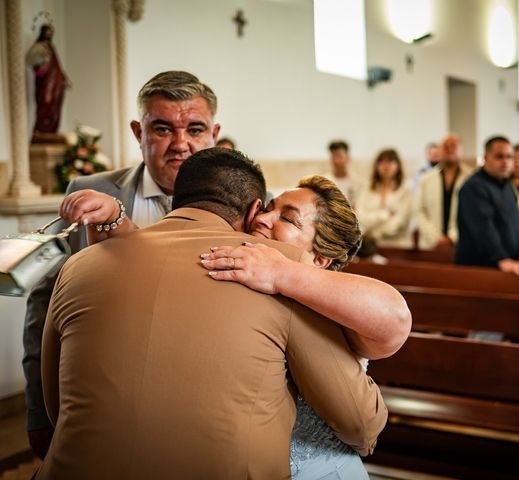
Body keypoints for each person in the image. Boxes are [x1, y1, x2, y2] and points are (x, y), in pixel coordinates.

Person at [39, 148, 388, 479]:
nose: (266, 220)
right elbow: (362, 424)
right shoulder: (266, 269)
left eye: (287, 218)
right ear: (252, 210)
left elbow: (57, 407)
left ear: (177, 197)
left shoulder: (79, 264)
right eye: (269, 207)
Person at [22, 70, 220, 460]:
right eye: (162, 129)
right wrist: (36, 409)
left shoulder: (245, 199)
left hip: (203, 403)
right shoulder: (88, 193)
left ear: (214, 133)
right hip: (102, 397)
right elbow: (45, 306)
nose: (180, 144)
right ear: (138, 131)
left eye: (195, 129)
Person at [455, 136, 519, 275]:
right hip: (479, 269)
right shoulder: (474, 187)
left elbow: (516, 220)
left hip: (502, 265)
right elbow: (483, 228)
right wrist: (501, 259)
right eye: (499, 157)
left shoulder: (506, 184)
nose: (505, 162)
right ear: (486, 158)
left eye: (509, 157)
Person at [416, 134, 471, 249]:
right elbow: (419, 211)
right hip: (431, 244)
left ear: (462, 151)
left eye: (454, 145)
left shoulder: (471, 178)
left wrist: (452, 237)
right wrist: (436, 238)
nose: (450, 149)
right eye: (446, 146)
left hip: (462, 244)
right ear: (439, 151)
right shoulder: (426, 179)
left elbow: (474, 214)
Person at [356, 148, 413, 248]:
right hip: (370, 246)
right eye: (381, 162)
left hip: (397, 246)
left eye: (390, 161)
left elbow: (397, 224)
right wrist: (385, 215)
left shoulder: (405, 191)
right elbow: (361, 217)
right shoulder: (367, 189)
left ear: (398, 165)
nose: (385, 166)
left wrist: (374, 233)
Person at [26, 24, 69, 138]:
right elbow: (29, 59)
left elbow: (57, 65)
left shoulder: (51, 47)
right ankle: (40, 129)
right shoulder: (38, 46)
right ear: (42, 32)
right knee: (45, 101)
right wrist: (42, 61)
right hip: (45, 81)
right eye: (47, 31)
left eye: (51, 32)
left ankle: (51, 130)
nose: (49, 34)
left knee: (55, 104)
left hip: (55, 80)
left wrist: (64, 78)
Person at [324, 140, 363, 207]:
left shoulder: (358, 183)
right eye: (333, 156)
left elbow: (359, 207)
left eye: (339, 156)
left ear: (348, 158)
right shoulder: (324, 182)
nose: (336, 161)